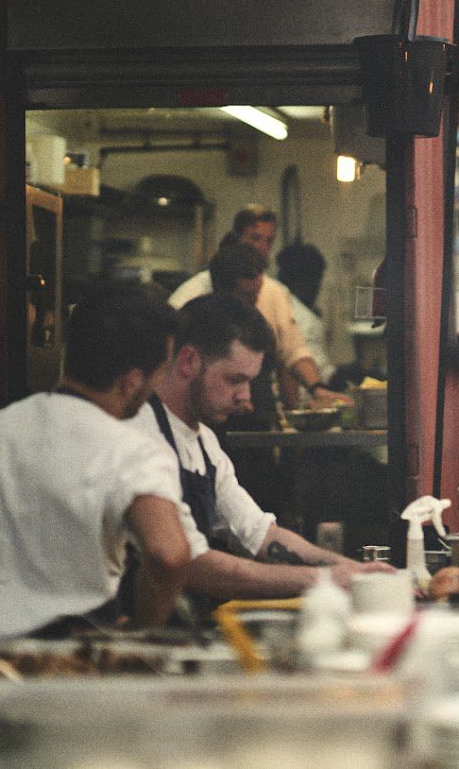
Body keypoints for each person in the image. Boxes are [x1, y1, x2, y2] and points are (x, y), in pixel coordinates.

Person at [0, 284, 193, 687]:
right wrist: (136, 642)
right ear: (133, 381)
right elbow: (169, 554)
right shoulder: (131, 451)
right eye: (158, 374)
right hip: (80, 677)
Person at [128, 294, 391, 601]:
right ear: (188, 361)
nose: (246, 397)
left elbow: (260, 534)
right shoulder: (142, 435)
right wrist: (326, 579)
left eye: (250, 382)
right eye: (235, 380)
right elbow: (193, 565)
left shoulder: (203, 442)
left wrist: (354, 570)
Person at [170, 205, 342, 407]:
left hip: (258, 409)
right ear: (237, 237)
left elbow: (292, 349)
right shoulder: (191, 295)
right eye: (255, 238)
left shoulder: (274, 292)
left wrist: (316, 388)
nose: (261, 247)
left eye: (268, 241)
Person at [276, 240, 335, 383]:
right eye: (315, 280)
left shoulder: (283, 302)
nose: (318, 287)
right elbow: (319, 367)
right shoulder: (299, 315)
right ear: (298, 280)